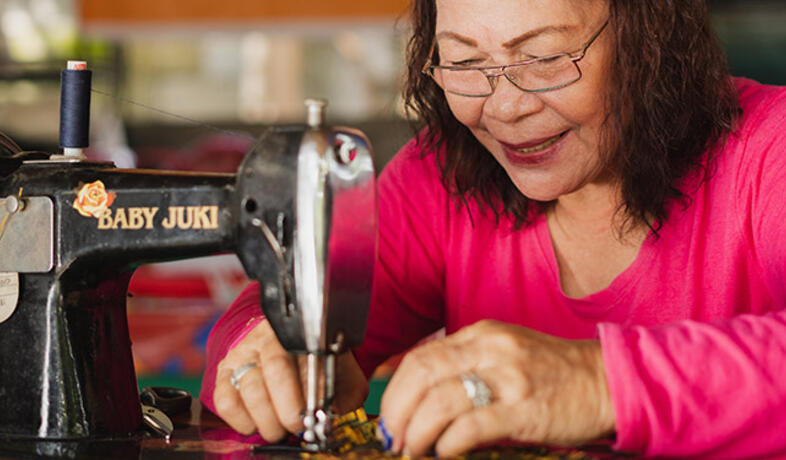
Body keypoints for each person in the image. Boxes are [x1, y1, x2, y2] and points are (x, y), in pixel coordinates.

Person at [201, 0, 786, 458]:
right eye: (463, 60)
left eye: (545, 57)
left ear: (652, 40)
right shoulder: (440, 177)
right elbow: (280, 308)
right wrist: (263, 349)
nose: (502, 109)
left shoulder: (770, 150)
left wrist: (596, 382)